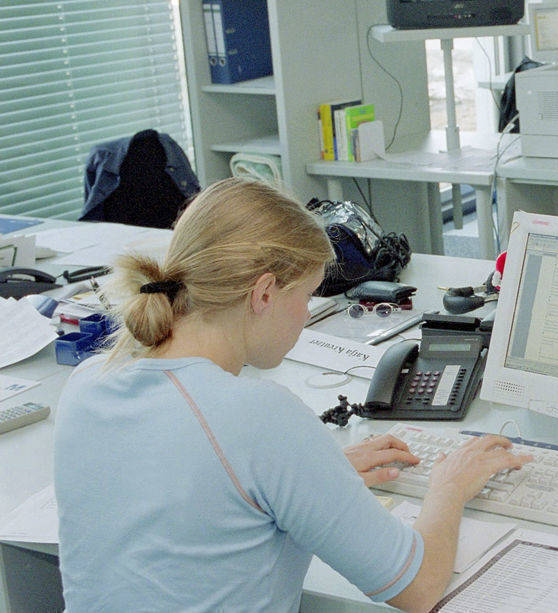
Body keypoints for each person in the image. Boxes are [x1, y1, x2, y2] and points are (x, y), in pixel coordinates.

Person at [53, 178, 532, 611]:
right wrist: (448, 487)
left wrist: (315, 477)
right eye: (305, 296)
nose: (306, 315)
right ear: (263, 294)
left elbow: (190, 495)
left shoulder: (88, 382)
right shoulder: (259, 417)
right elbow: (420, 586)